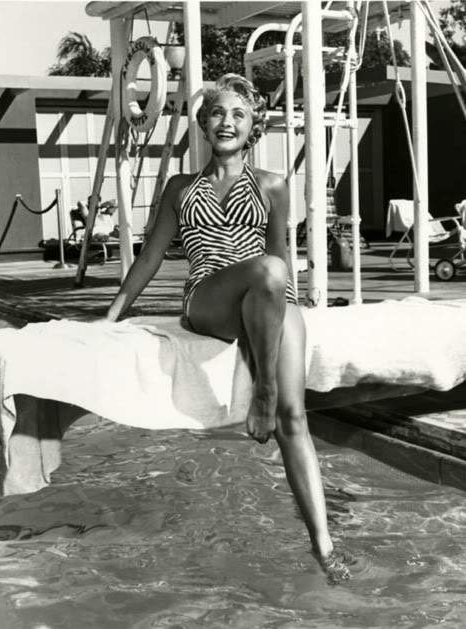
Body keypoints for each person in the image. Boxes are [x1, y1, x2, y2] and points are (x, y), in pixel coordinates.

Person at [105, 74, 352, 581]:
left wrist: (289, 310)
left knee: (295, 418)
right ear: (203, 123)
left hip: (269, 294)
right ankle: (263, 388)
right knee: (269, 271)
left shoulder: (273, 186)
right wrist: (111, 315)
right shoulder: (180, 188)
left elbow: (281, 260)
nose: (227, 122)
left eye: (239, 114)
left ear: (253, 126)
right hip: (209, 300)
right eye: (218, 112)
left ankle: (324, 548)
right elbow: (150, 257)